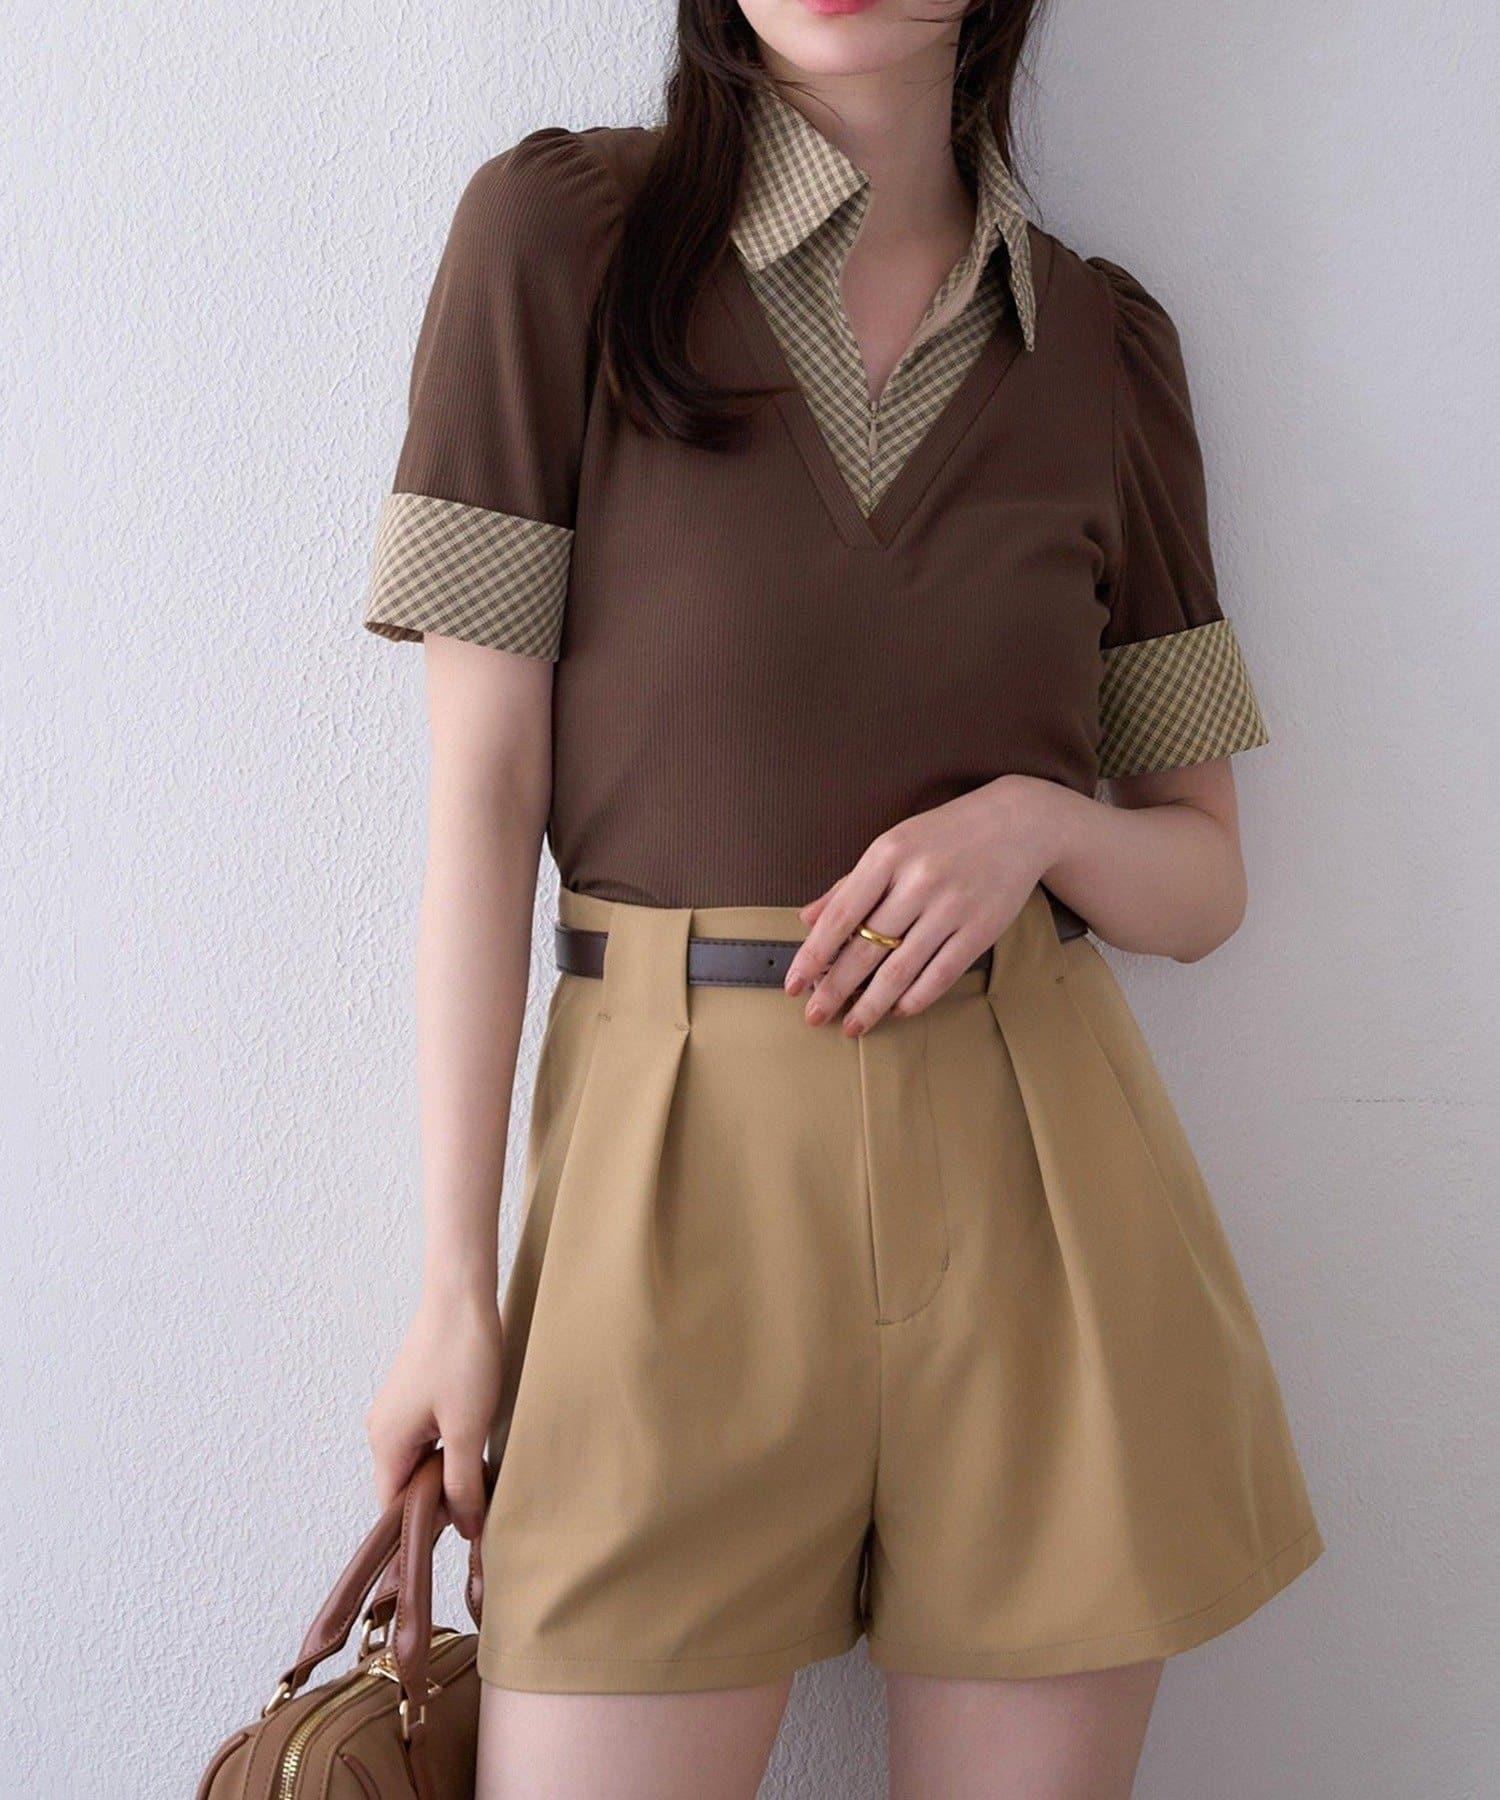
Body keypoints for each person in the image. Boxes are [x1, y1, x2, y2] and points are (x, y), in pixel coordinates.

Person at [360, 3, 1321, 1793]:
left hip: (1043, 1202)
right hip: (664, 1195)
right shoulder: (560, 243)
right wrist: (454, 1288)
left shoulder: (1101, 348)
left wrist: (1035, 826)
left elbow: (1202, 875)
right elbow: (480, 804)